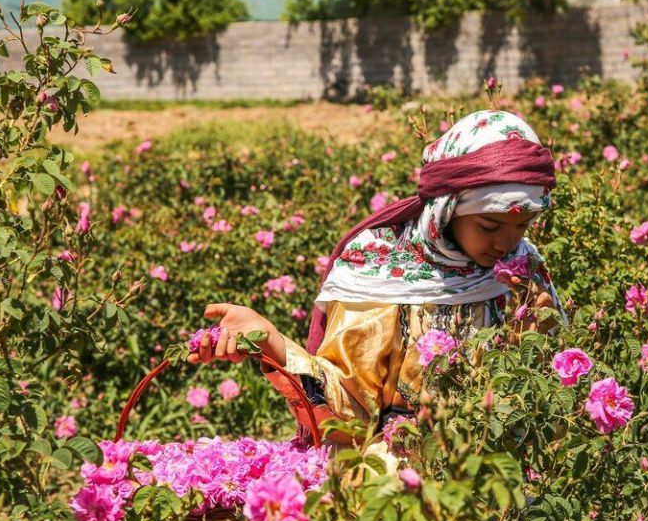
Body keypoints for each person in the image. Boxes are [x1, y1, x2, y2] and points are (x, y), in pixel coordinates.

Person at [188, 109, 569, 445]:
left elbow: (546, 399)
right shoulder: (384, 266)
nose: (507, 242)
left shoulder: (523, 267)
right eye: (490, 225)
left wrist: (537, 330)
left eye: (522, 225)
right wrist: (270, 342)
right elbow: (350, 410)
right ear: (447, 210)